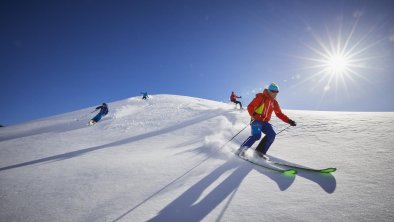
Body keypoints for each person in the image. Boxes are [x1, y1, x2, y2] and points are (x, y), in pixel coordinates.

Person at [238, 83, 296, 159]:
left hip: (265, 122)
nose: (275, 93)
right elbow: (250, 106)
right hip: (256, 120)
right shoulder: (261, 97)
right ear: (268, 91)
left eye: (277, 92)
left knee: (272, 134)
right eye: (273, 91)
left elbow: (279, 114)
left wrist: (289, 121)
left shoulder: (274, 103)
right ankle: (241, 150)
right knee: (256, 136)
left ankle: (259, 152)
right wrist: (255, 115)